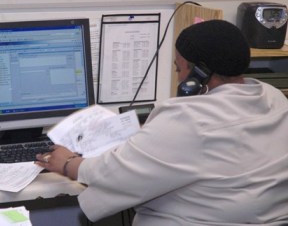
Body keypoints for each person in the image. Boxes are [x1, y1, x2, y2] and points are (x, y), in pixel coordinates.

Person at [36, 19, 288, 225]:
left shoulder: (190, 118)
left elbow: (116, 173)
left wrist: (70, 163)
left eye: (179, 68)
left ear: (198, 74)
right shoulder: (274, 98)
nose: (179, 77)